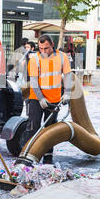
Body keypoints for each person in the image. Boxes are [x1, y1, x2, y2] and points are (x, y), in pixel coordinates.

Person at [23, 34, 73, 164]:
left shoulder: (62, 57)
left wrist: (67, 93)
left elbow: (67, 76)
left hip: (54, 98)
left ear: (52, 45)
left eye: (46, 48)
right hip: (36, 98)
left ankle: (48, 158)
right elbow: (33, 81)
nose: (43, 51)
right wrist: (40, 99)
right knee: (33, 126)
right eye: (40, 48)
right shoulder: (35, 59)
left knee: (50, 130)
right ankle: (28, 156)